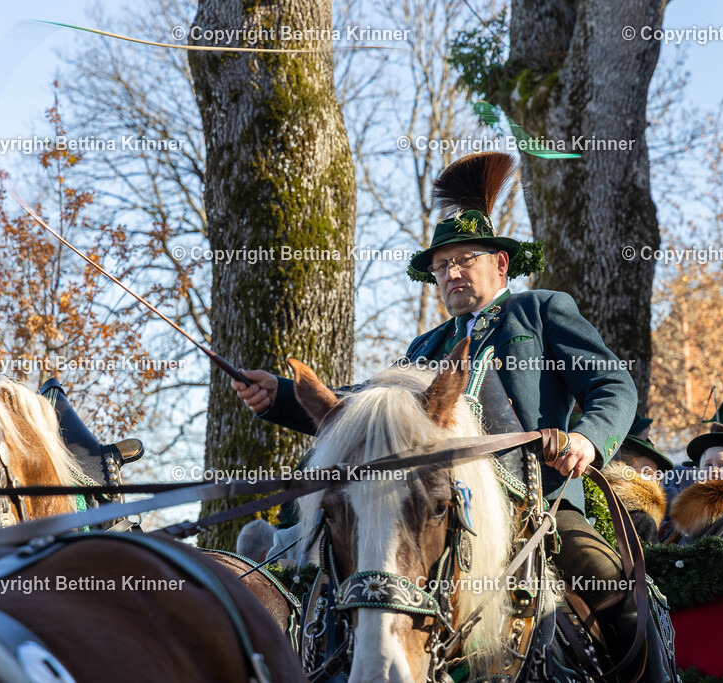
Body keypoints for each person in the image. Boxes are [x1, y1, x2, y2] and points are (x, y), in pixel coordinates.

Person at [231, 152, 661, 678]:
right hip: (435, 507)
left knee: (615, 587)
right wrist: (278, 393)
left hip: (537, 505)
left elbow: (613, 385)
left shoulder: (542, 311)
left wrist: (586, 441)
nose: (451, 273)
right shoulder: (425, 344)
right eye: (441, 266)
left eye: (463, 259)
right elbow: (361, 409)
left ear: (500, 264)